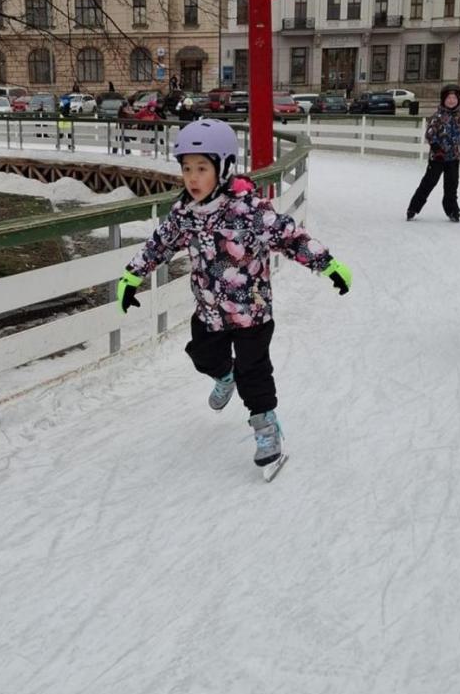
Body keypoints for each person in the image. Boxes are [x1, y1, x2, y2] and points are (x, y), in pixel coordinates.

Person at [114, 119, 352, 472]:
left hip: (251, 312)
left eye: (202, 168)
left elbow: (290, 237)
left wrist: (327, 264)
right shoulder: (184, 214)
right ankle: (224, 376)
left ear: (223, 168)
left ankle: (266, 427)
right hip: (209, 311)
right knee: (203, 357)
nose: (192, 178)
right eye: (186, 168)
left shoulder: (249, 211)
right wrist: (132, 276)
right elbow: (159, 245)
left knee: (253, 371)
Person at [406, 84, 460, 222]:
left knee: (452, 186)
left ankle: (452, 210)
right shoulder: (437, 117)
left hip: (453, 157)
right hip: (437, 157)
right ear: (443, 100)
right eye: (448, 98)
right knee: (428, 183)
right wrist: (436, 148)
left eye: (454, 98)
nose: (451, 101)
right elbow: (430, 134)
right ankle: (413, 207)